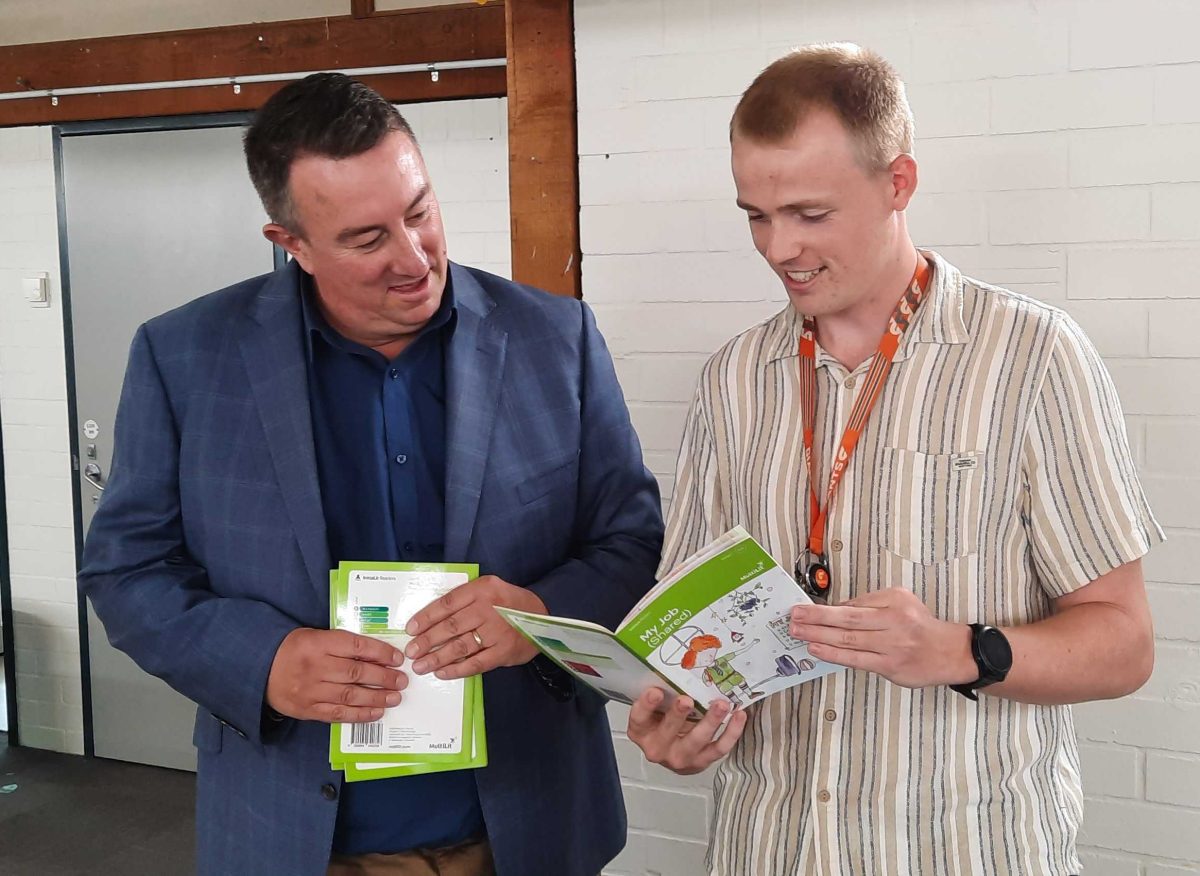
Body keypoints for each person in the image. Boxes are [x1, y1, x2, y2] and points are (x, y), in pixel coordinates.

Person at [78, 73, 664, 876]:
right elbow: (126, 570)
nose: (415, 257)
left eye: (420, 212)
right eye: (366, 239)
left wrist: (535, 611)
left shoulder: (554, 339)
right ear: (291, 243)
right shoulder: (184, 357)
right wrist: (264, 661)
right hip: (295, 836)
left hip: (527, 825)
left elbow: (629, 536)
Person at [626, 44, 1161, 876]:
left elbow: (1125, 644)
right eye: (756, 216)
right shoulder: (731, 378)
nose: (778, 249)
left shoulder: (1033, 357)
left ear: (898, 183)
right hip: (769, 850)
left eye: (809, 213)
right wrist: (680, 722)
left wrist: (960, 651)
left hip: (970, 853)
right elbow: (689, 627)